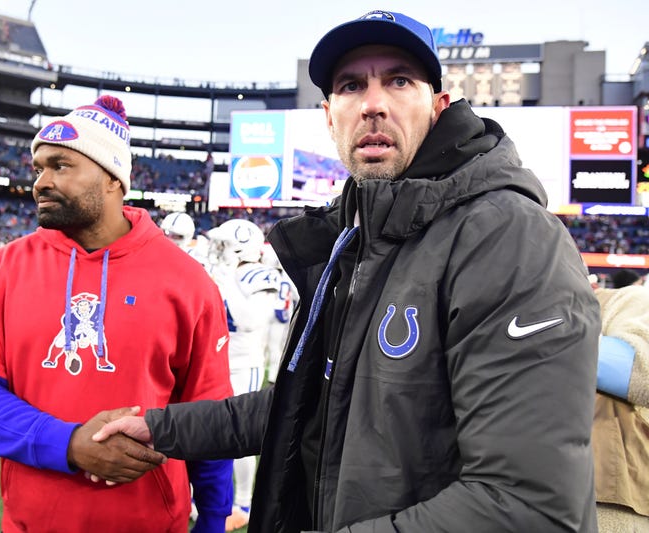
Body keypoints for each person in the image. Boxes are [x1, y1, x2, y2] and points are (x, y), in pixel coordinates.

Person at [93, 10, 601, 532]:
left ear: (439, 105)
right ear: (329, 116)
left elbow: (527, 506)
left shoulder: (509, 237)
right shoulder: (357, 239)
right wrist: (160, 427)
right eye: (351, 86)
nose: (374, 104)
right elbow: (312, 402)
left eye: (399, 80)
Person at [0, 95, 234, 533]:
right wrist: (69, 444)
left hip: (151, 524)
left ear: (113, 177)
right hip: (30, 523)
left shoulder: (188, 281)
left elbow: (210, 416)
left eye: (60, 166)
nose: (40, 182)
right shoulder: (0, 270)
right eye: (38, 168)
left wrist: (213, 517)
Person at [207, 219, 281, 530]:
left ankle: (243, 503)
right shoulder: (217, 270)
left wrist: (225, 277)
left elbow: (249, 320)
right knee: (209, 434)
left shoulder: (259, 275)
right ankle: (214, 498)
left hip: (244, 365)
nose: (217, 250)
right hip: (214, 362)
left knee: (238, 438)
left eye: (223, 245)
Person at [592, 284, 649, 531]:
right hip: (521, 493)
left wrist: (543, 334)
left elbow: (642, 372)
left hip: (611, 501)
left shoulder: (625, 300)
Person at [260, 242, 298, 384]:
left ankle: (268, 371)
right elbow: (297, 296)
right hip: (282, 313)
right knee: (277, 346)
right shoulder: (288, 276)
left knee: (266, 345)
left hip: (270, 312)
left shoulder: (266, 274)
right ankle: (273, 375)